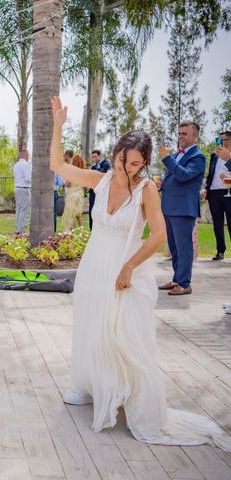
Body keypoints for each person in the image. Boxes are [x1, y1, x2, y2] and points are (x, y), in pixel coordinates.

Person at [50, 96, 231, 451]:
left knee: (123, 333)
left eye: (136, 163)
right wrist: (58, 124)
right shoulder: (99, 180)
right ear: (116, 152)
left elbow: (160, 236)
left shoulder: (146, 189)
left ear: (144, 163)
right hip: (95, 262)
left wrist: (130, 266)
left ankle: (126, 395)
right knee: (92, 322)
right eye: (123, 160)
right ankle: (90, 385)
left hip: (124, 267)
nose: (127, 168)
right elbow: (57, 164)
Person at [158, 122, 207, 296]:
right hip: (170, 207)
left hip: (183, 209)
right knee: (174, 247)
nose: (180, 136)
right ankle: (177, 279)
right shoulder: (177, 155)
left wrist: (166, 158)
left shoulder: (198, 157)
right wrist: (160, 185)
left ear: (195, 136)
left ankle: (185, 284)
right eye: (179, 133)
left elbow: (184, 176)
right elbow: (174, 177)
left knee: (183, 247)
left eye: (185, 133)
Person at [203, 130, 231, 260]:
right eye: (217, 140)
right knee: (217, 224)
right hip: (214, 193)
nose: (218, 143)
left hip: (228, 193)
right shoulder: (214, 155)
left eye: (221, 140)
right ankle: (220, 251)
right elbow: (210, 174)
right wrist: (205, 188)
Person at [60, 155, 86, 231]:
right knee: (79, 215)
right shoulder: (84, 173)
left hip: (71, 195)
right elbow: (86, 186)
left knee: (70, 215)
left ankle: (68, 232)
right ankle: (82, 231)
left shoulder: (72, 173)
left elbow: (67, 184)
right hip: (79, 195)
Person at [88, 149, 111, 230]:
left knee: (100, 210)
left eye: (95, 157)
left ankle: (100, 228)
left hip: (102, 192)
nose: (94, 158)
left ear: (100, 156)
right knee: (91, 210)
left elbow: (99, 175)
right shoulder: (93, 166)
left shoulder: (106, 164)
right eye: (92, 157)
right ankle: (92, 228)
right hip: (93, 192)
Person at [13, 149, 31, 233]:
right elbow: (28, 178)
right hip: (23, 188)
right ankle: (20, 230)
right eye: (28, 155)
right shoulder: (26, 164)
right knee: (23, 209)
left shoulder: (16, 165)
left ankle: (17, 228)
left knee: (19, 209)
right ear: (25, 155)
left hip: (17, 187)